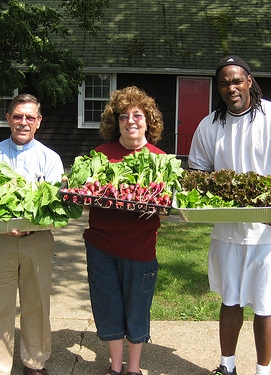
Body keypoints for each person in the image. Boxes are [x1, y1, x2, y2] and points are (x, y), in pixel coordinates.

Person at [188, 56, 271, 375]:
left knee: (265, 303)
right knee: (230, 300)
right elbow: (196, 178)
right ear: (217, 88)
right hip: (227, 230)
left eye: (236, 80)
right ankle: (227, 366)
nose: (231, 87)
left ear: (249, 81)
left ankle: (263, 371)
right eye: (224, 83)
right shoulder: (209, 126)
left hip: (269, 231)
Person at [0, 93, 64, 375]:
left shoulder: (50, 158)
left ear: (38, 122)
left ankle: (34, 362)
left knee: (36, 305)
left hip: (36, 242)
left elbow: (56, 207)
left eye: (29, 117)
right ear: (8, 119)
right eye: (17, 116)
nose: (23, 122)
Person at [83, 86, 166, 375]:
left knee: (137, 309)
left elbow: (165, 204)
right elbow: (85, 194)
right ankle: (115, 368)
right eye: (123, 116)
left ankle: (134, 369)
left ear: (148, 120)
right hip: (101, 246)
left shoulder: (160, 158)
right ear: (115, 122)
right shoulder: (100, 154)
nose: (130, 121)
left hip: (140, 248)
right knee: (107, 307)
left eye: (138, 115)